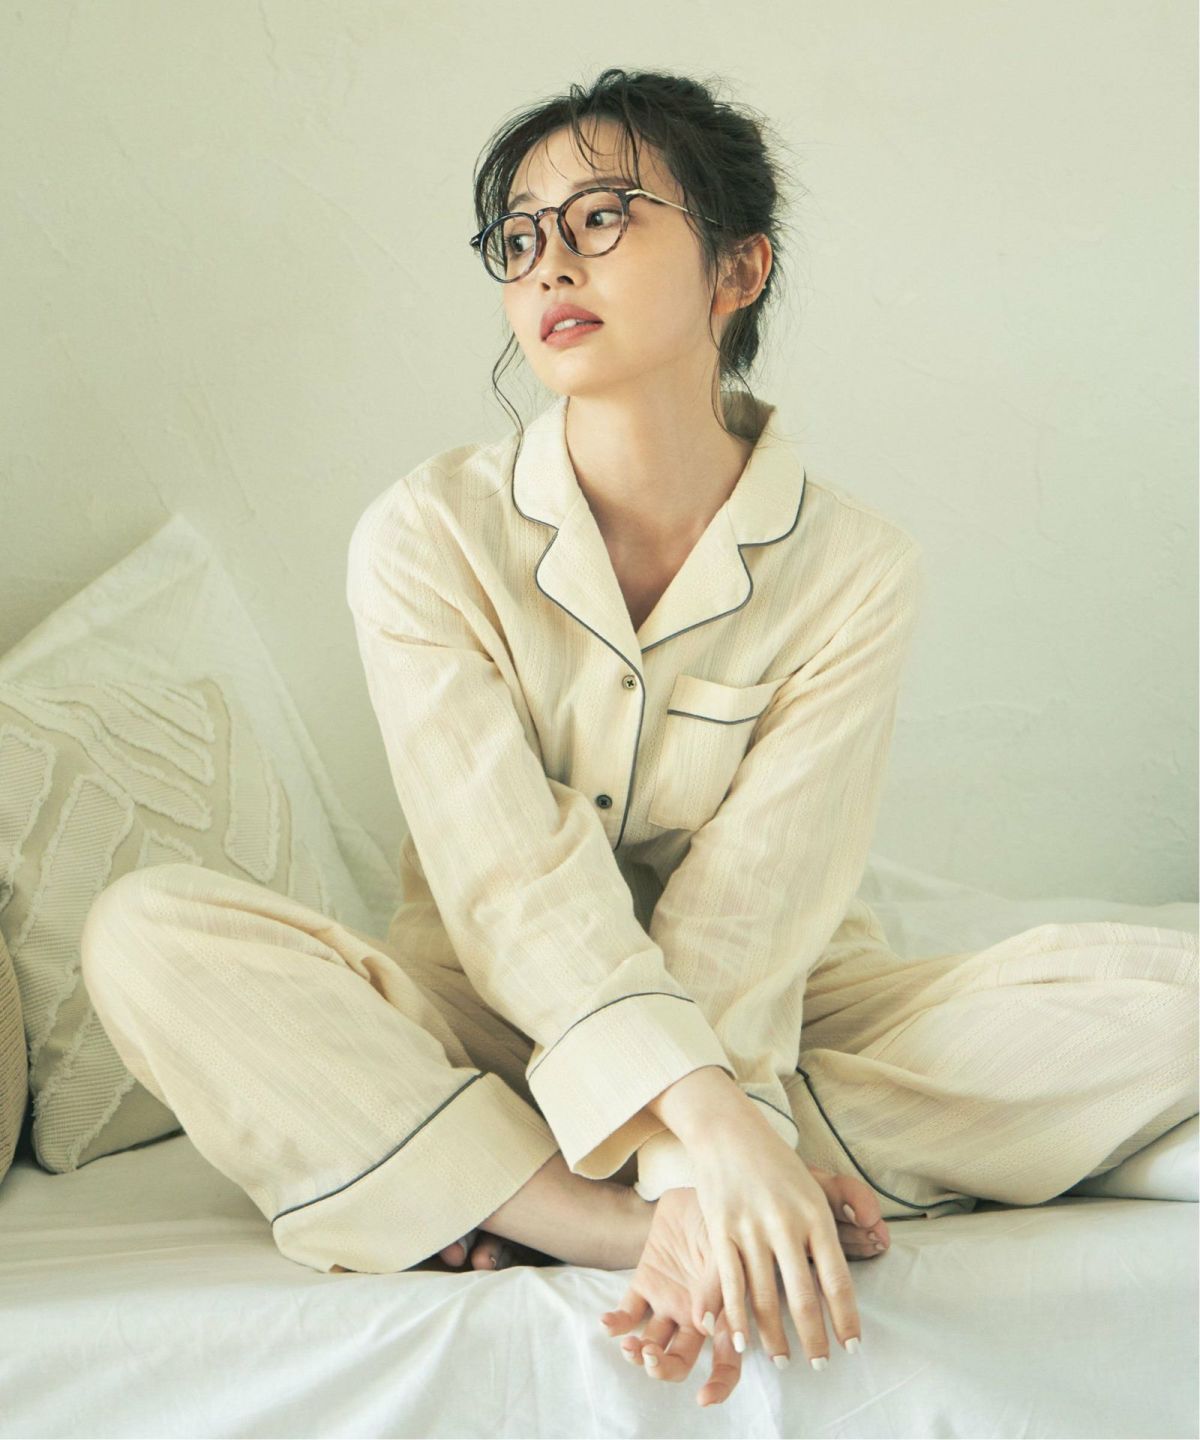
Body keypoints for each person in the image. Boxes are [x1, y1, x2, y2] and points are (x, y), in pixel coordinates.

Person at [79, 67, 1198, 1411]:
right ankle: (626, 1220)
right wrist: (694, 1172)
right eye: (519, 236)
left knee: (1172, 998)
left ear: (738, 267)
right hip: (484, 1016)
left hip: (781, 1016)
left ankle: (504, 1178)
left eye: (603, 217)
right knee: (146, 934)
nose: (550, 262)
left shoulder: (855, 568)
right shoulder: (426, 537)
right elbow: (508, 888)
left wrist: (709, 1116)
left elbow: (754, 915)